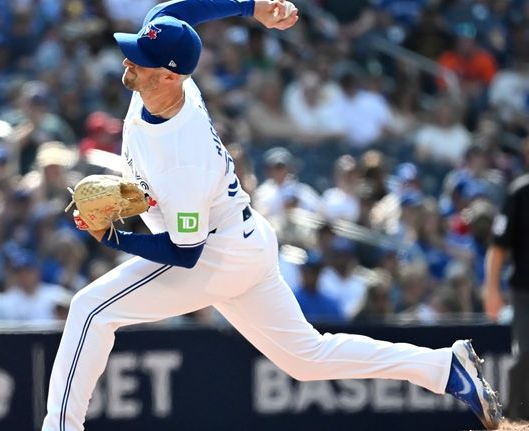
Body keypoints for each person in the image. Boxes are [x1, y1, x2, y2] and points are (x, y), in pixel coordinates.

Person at [41, 1, 502, 430]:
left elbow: (184, 253)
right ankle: (444, 368)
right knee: (307, 358)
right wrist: (252, 6)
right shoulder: (169, 80)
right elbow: (176, 9)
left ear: (169, 75)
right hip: (246, 241)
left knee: (90, 310)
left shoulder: (184, 156)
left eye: (141, 57)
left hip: (213, 256)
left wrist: (111, 237)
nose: (128, 59)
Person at [483, 136, 529, 419]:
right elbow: (498, 247)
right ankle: (516, 420)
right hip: (526, 293)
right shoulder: (520, 193)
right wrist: (491, 290)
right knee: (525, 356)